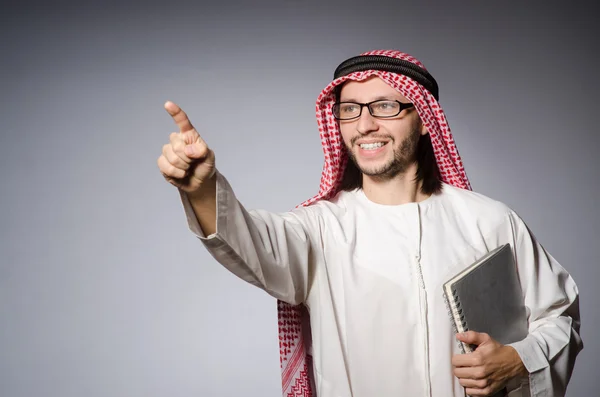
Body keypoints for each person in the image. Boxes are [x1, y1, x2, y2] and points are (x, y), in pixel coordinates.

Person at [157, 50, 582, 397]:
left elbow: (559, 318)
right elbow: (249, 242)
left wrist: (514, 360)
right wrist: (201, 189)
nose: (364, 124)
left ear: (425, 120)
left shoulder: (490, 221)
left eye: (384, 106)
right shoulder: (319, 229)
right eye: (350, 110)